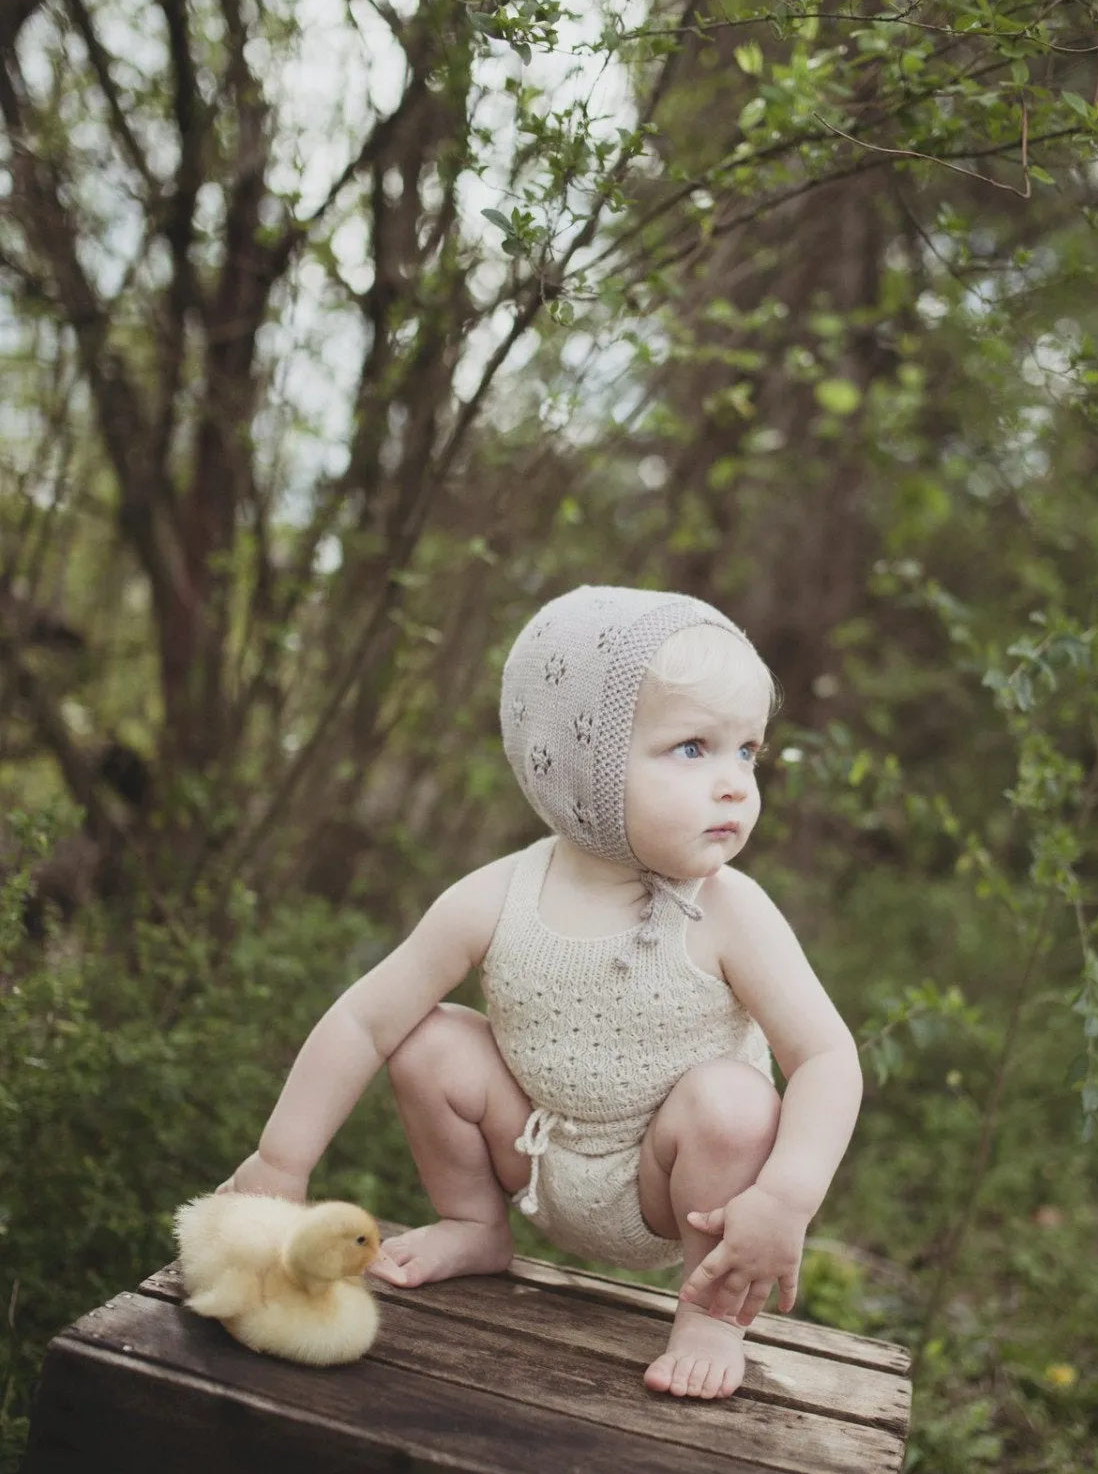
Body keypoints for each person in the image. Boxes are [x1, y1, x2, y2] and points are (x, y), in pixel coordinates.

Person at [223, 585, 863, 1400]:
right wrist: (281, 1162)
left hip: (674, 1189)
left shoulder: (730, 909)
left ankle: (709, 1316)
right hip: (536, 1155)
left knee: (733, 1103)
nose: (736, 783)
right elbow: (361, 1020)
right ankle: (474, 1225)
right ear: (579, 762)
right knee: (426, 1037)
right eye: (694, 748)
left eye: (748, 752)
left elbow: (827, 1057)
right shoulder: (495, 897)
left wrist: (786, 1197)